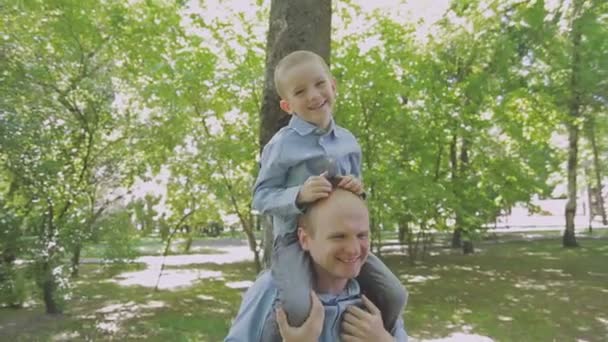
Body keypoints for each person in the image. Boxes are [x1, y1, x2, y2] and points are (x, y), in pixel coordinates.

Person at [252, 50, 407, 341]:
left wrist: (356, 187)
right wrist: (298, 194)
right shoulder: (282, 146)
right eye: (300, 91)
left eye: (319, 84)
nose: (313, 95)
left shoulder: (348, 141)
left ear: (333, 85)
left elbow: (356, 195)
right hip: (294, 241)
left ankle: (363, 331)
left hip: (343, 238)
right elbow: (261, 197)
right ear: (287, 105)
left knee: (395, 295)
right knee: (298, 305)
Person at [226, 189, 408, 341]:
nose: (353, 249)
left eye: (362, 235)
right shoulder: (272, 290)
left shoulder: (374, 296)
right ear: (305, 239)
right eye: (338, 236)